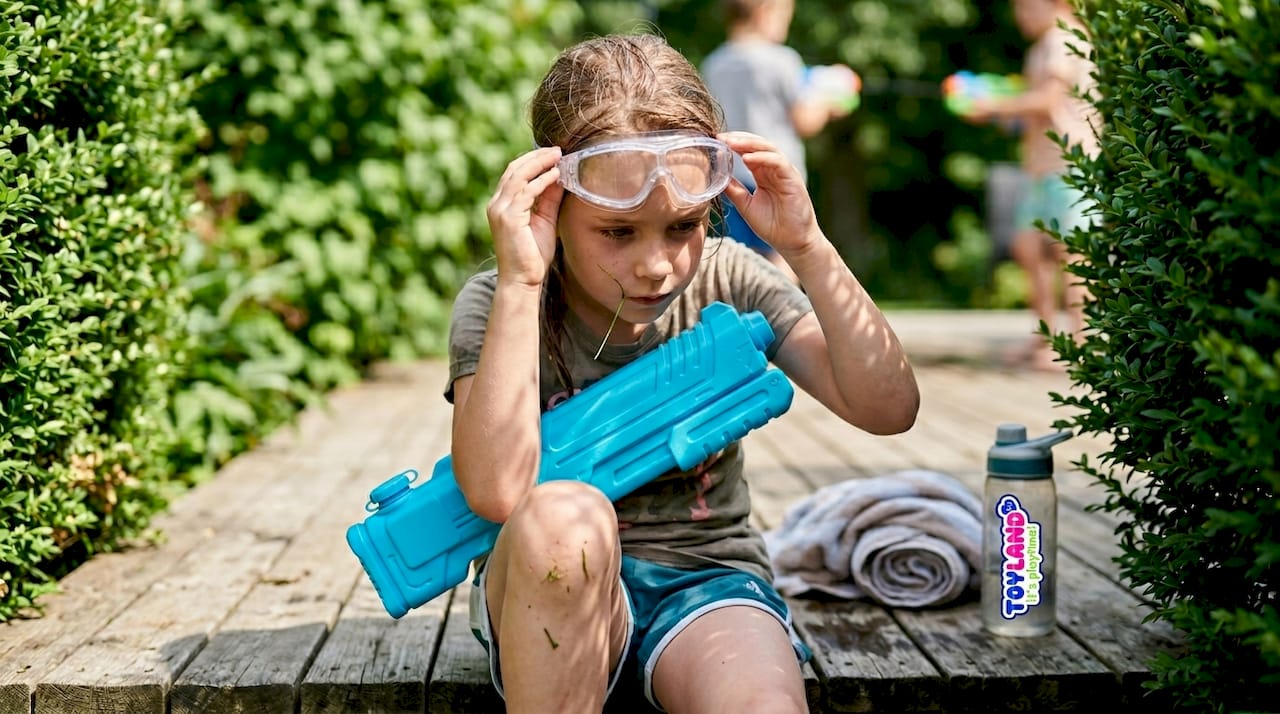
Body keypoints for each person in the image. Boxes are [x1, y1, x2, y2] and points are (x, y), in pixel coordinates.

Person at [446, 33, 919, 713]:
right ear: (553, 205)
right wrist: (523, 279)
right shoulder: (502, 301)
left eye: (682, 227)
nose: (656, 264)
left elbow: (887, 407)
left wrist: (807, 246)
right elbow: (496, 491)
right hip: (549, 591)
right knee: (563, 519)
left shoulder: (730, 275)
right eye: (617, 232)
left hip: (707, 583)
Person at [963, 0, 1100, 370]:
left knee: (1073, 255)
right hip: (1041, 168)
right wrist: (995, 114)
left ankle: (1082, 343)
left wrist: (993, 105)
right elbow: (1034, 115)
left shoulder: (1063, 39)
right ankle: (1047, 339)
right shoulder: (1041, 46)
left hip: (1071, 163)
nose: (1020, 16)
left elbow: (1047, 101)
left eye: (1027, 7)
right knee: (1027, 247)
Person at [700, 0, 852, 283]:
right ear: (764, 10)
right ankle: (777, 319)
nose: (786, 24)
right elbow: (805, 121)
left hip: (731, 179)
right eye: (785, 16)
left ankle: (746, 318)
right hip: (776, 176)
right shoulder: (782, 60)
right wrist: (830, 101)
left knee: (741, 259)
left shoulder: (714, 63)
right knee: (788, 255)